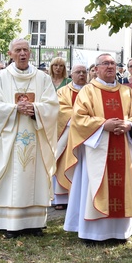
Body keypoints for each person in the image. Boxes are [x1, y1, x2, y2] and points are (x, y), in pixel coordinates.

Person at [63, 54, 132, 245]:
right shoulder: (88, 91)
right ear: (97, 68)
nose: (110, 67)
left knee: (122, 185)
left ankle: (120, 232)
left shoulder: (125, 92)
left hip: (123, 147)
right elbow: (78, 119)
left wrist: (129, 125)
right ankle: (94, 234)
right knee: (94, 185)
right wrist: (102, 125)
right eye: (105, 64)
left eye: (112, 64)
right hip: (97, 150)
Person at [0, 38, 59, 238]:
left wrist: (35, 109)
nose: (23, 53)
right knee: (11, 178)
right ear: (10, 54)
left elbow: (52, 105)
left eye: (26, 49)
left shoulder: (42, 78)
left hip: (36, 134)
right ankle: (10, 225)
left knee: (35, 177)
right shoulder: (0, 77)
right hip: (10, 137)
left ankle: (34, 224)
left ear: (30, 53)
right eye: (18, 50)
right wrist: (14, 109)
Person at [53, 64, 88, 210]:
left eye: (84, 72)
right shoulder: (63, 92)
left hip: (88, 133)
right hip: (69, 133)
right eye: (78, 72)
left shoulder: (92, 90)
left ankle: (84, 195)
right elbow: (61, 110)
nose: (81, 75)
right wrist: (81, 119)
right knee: (64, 161)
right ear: (71, 75)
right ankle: (62, 197)